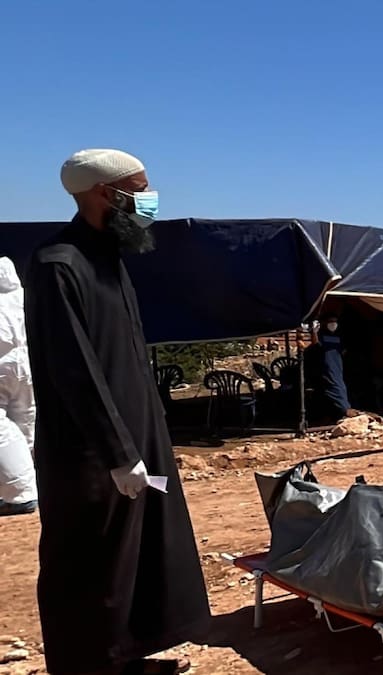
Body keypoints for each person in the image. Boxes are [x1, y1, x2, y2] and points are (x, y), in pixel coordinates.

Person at [26, 149, 209, 674]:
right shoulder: (59, 264)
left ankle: (126, 658)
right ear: (105, 193)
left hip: (135, 433)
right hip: (90, 450)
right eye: (141, 188)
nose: (150, 200)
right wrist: (118, 452)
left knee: (136, 556)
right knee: (91, 560)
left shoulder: (107, 257)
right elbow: (75, 369)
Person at [0, 256, 36, 516]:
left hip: (3, 368)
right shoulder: (22, 298)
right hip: (27, 366)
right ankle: (35, 484)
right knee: (26, 427)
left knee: (4, 430)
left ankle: (21, 492)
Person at [305, 315, 353, 424]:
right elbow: (316, 345)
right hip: (326, 367)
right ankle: (343, 409)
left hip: (337, 367)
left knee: (339, 387)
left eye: (335, 321)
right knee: (330, 389)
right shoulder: (322, 335)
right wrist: (314, 332)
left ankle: (341, 411)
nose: (333, 324)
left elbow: (344, 350)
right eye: (330, 321)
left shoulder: (339, 336)